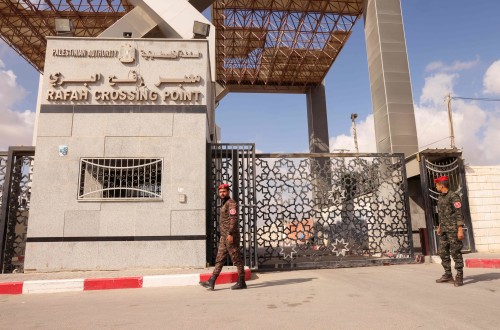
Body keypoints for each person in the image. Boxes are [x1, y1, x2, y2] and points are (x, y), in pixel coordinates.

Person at [199, 183, 247, 290]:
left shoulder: (231, 203)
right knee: (219, 259)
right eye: (220, 192)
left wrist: (230, 234)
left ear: (228, 192)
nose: (222, 193)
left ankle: (241, 281)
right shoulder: (224, 204)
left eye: (224, 191)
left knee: (236, 259)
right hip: (224, 237)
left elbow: (233, 220)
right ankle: (211, 281)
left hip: (231, 236)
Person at [434, 176, 465, 287]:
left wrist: (460, 229)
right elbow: (442, 214)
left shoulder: (453, 196)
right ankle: (448, 274)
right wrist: (439, 226)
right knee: (443, 252)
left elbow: (459, 213)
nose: (436, 186)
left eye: (437, 185)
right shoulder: (441, 197)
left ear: (442, 185)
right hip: (443, 230)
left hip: (453, 230)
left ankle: (459, 276)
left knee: (456, 252)